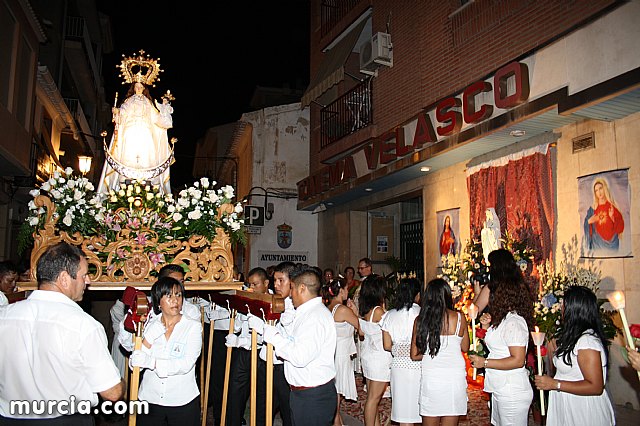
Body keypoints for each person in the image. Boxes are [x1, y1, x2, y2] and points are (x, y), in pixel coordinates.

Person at [0, 242, 124, 423]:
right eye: (84, 275)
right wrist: (122, 383)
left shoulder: (4, 316)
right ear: (65, 278)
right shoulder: (83, 325)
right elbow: (112, 393)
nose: (88, 281)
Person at [248, 265, 337, 426]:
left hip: (313, 396)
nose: (291, 294)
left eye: (293, 288)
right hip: (303, 393)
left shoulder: (314, 317)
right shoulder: (307, 313)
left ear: (302, 288)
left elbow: (299, 356)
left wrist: (272, 335)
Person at [469, 249, 534, 426]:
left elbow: (518, 360)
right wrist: (485, 326)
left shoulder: (513, 323)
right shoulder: (503, 321)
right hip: (500, 387)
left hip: (511, 390)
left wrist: (485, 363)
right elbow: (496, 341)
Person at [534, 286, 615, 426]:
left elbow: (595, 386)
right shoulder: (575, 337)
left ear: (574, 309)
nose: (561, 309)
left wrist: (555, 384)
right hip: (569, 403)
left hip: (583, 409)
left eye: (564, 305)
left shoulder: (587, 341)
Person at [130, 276, 202, 426]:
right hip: (150, 399)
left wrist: (153, 363)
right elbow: (135, 363)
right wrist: (148, 338)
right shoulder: (149, 324)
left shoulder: (192, 326)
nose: (175, 300)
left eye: (178, 295)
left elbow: (186, 364)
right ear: (158, 301)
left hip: (182, 401)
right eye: (169, 296)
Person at [411, 278, 469, 426]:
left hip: (432, 376)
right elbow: (465, 348)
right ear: (447, 295)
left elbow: (414, 354)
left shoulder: (421, 320)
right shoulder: (460, 317)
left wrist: (429, 355)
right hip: (454, 377)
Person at [99, 79, 173, 194]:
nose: (138, 89)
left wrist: (164, 109)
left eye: (140, 87)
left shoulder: (148, 102)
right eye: (136, 86)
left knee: (147, 155)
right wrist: (117, 111)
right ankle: (126, 180)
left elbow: (157, 119)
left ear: (144, 88)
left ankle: (147, 180)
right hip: (131, 131)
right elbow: (122, 114)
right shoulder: (129, 101)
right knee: (128, 154)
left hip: (145, 132)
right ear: (133, 88)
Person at [226, 267, 270, 426]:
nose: (251, 288)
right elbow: (239, 327)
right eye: (249, 284)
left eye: (255, 284)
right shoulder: (247, 299)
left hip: (261, 356)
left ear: (266, 283)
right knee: (235, 392)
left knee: (261, 397)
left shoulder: (272, 302)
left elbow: (262, 337)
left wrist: (239, 342)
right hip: (244, 352)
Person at [255, 262, 296, 426]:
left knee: (287, 411)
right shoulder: (272, 300)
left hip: (282, 366)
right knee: (262, 410)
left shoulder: (296, 307)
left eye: (281, 280)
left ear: (292, 282)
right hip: (266, 362)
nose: (277, 285)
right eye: (275, 281)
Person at [382, 277, 422, 426]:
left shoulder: (389, 315)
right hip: (420, 363)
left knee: (404, 413)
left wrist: (400, 349)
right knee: (423, 411)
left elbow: (387, 345)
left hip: (399, 365)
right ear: (417, 295)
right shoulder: (422, 312)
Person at [322, 278, 362, 426]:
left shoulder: (327, 307)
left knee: (335, 396)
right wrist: (355, 312)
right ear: (341, 291)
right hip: (340, 356)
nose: (347, 292)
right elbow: (362, 329)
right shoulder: (343, 310)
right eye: (346, 289)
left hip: (332, 353)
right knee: (336, 399)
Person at [358, 276, 392, 426]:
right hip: (379, 359)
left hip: (369, 357)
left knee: (373, 399)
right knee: (373, 400)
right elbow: (389, 330)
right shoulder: (378, 311)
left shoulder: (366, 310)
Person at [583, 178, 625, 252]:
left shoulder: (612, 207)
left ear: (605, 188)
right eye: (596, 190)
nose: (599, 192)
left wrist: (612, 218)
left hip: (612, 246)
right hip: (596, 245)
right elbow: (586, 224)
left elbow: (620, 227)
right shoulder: (592, 209)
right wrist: (589, 221)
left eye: (600, 188)